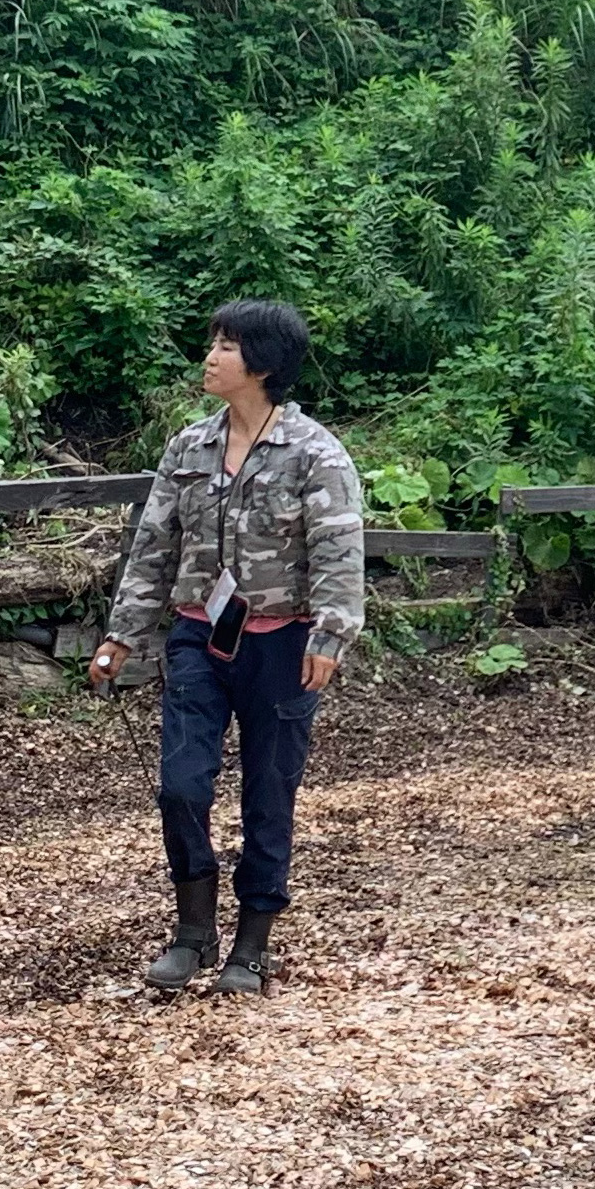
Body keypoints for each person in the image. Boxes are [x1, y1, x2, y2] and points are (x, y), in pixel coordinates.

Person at [89, 301, 364, 994]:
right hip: (197, 639)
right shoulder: (188, 446)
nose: (210, 357)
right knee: (180, 785)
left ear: (262, 365)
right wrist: (122, 634)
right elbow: (153, 545)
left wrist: (330, 635)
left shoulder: (315, 453)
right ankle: (193, 932)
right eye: (212, 343)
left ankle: (251, 945)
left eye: (226, 346)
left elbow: (339, 551)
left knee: (269, 793)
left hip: (283, 645)